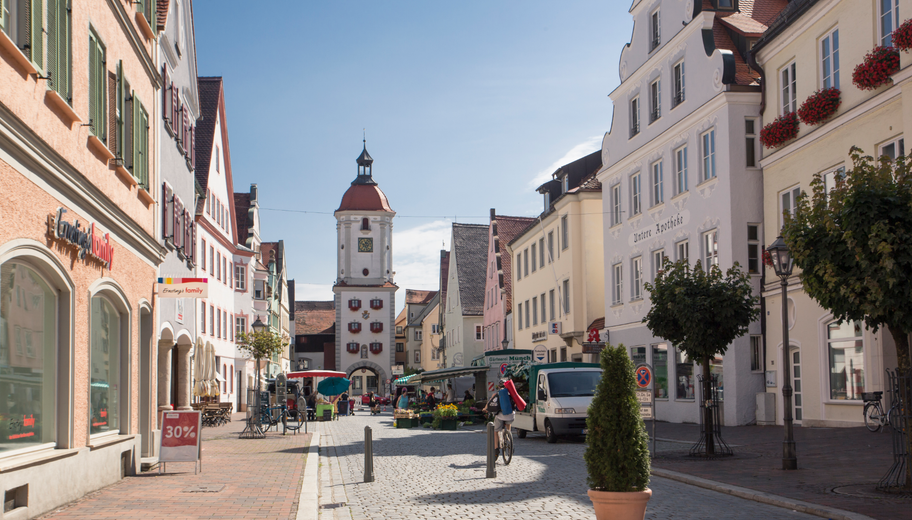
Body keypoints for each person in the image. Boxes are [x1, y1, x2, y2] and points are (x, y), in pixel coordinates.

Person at [483, 380, 515, 459]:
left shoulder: (496, 394)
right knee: (508, 424)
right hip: (511, 416)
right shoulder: (511, 393)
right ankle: (509, 438)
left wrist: (485, 409)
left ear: (499, 387)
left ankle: (496, 450)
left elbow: (489, 403)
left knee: (495, 431)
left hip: (500, 416)